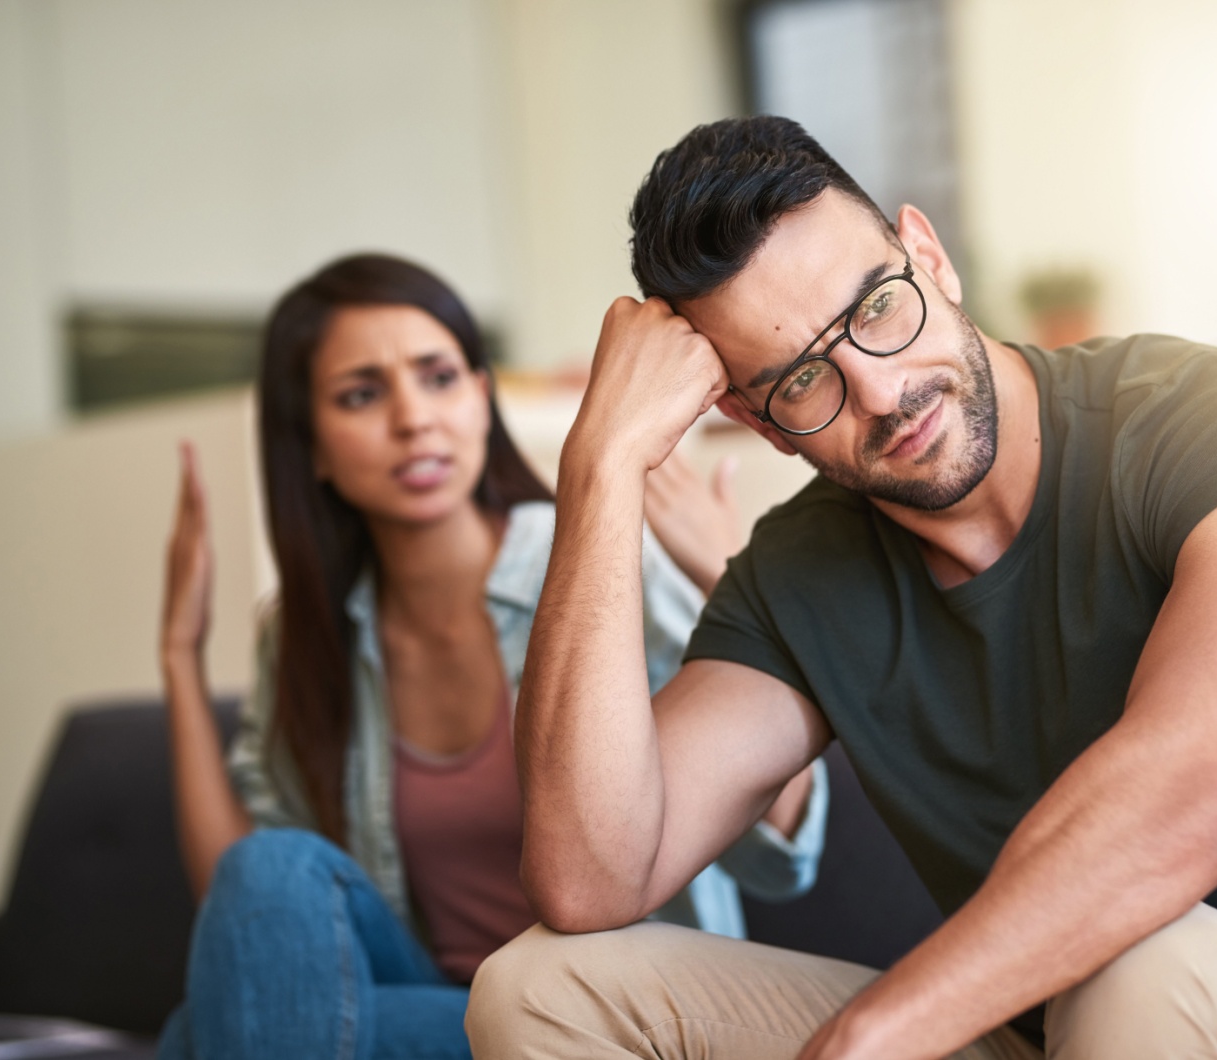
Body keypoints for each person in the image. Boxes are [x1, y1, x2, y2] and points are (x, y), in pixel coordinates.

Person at [464, 117, 1217, 1060]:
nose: (882, 392)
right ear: (757, 423)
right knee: (540, 988)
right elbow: (592, 875)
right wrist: (600, 466)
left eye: (876, 307)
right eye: (803, 380)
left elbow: (1207, 792)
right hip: (1042, 1029)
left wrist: (873, 1036)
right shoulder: (800, 573)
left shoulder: (1213, 420)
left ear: (927, 256)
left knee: (1135, 948)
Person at [154, 252, 827, 1060]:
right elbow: (250, 916)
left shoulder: (603, 553)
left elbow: (783, 857)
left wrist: (731, 585)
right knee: (271, 877)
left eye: (439, 376)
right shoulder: (309, 634)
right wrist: (179, 661)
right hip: (438, 1006)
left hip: (603, 1020)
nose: (414, 418)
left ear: (482, 398)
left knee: (200, 1036)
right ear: (314, 449)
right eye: (362, 394)